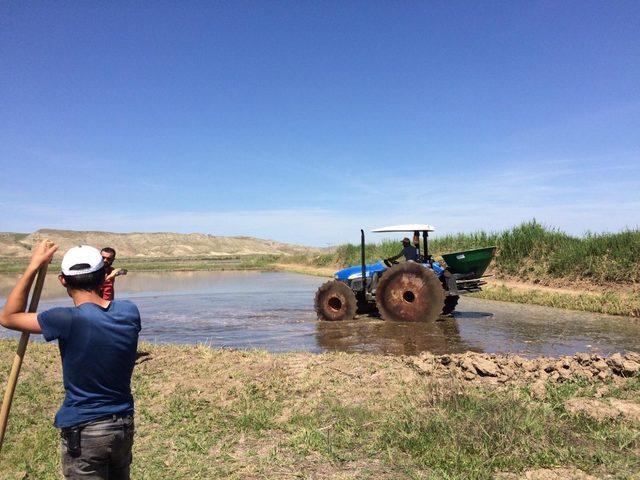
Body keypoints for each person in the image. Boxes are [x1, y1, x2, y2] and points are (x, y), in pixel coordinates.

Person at [0, 241, 141, 479]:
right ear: (102, 275)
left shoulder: (64, 320)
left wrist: (34, 266)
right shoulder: (129, 312)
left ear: (63, 281)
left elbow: (8, 317)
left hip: (85, 430)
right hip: (122, 425)